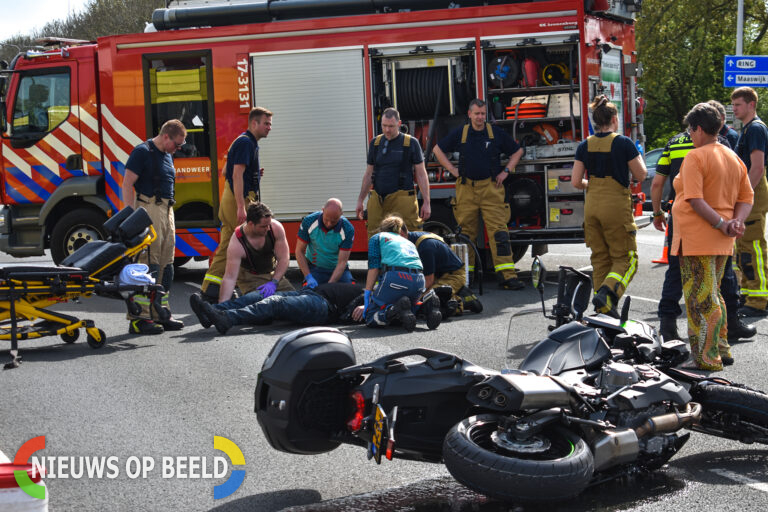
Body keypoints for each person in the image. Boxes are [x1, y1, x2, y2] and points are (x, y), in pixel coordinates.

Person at [651, 103, 755, 344]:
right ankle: (725, 336)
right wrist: (735, 222)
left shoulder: (684, 150)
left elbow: (666, 187)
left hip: (694, 230)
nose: (689, 134)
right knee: (720, 285)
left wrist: (657, 213)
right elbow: (745, 195)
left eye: (691, 129)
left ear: (698, 128)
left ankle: (697, 346)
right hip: (723, 229)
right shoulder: (729, 152)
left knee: (697, 293)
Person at [432, 98, 526, 290]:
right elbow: (437, 150)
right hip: (467, 189)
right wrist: (452, 169)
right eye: (477, 113)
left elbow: (517, 152)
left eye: (483, 114)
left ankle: (507, 276)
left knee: (499, 233)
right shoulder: (461, 133)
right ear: (469, 114)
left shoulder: (495, 134)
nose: (480, 117)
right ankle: (465, 277)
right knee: (466, 235)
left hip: (491, 189)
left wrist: (505, 171)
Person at [571, 95, 647, 315]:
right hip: (615, 206)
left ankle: (604, 311)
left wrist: (592, 185)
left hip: (592, 205)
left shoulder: (585, 145)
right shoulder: (623, 143)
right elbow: (640, 174)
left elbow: (576, 181)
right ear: (615, 119)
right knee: (627, 258)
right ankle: (607, 293)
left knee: (600, 258)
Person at [121, 119, 187, 335]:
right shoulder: (142, 152)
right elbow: (128, 184)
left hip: (167, 211)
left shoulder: (167, 155)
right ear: (166, 136)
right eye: (177, 144)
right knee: (147, 264)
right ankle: (140, 318)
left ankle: (161, 312)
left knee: (167, 265)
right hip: (148, 209)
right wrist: (132, 217)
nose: (177, 149)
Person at [201, 106, 272, 302]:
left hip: (233, 197)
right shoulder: (246, 143)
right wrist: (241, 206)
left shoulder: (245, 142)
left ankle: (212, 290)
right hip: (238, 199)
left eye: (270, 124)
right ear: (254, 123)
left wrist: (255, 174)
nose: (269, 127)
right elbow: (235, 174)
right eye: (266, 123)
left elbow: (226, 171)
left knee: (227, 245)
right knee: (244, 242)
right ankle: (243, 288)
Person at [356, 107, 431, 240]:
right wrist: (360, 200)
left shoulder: (410, 143)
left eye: (391, 126)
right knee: (374, 238)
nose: (387, 130)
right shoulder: (376, 143)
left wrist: (426, 202)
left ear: (399, 124)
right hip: (377, 199)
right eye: (384, 126)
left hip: (402, 199)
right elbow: (368, 174)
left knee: (407, 238)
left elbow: (421, 173)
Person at [190, 282, 365, 335]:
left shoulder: (375, 299)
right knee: (260, 296)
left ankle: (226, 319)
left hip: (323, 307)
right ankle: (210, 312)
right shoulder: (375, 289)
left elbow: (389, 310)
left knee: (274, 303)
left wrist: (366, 306)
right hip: (309, 293)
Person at [364, 215, 440, 331]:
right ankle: (426, 307)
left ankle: (393, 309)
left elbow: (374, 267)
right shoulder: (409, 242)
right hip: (419, 280)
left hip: (396, 277)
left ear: (383, 228)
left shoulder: (377, 237)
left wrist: (368, 294)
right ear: (399, 230)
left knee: (371, 316)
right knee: (408, 308)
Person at [730, 87, 768, 317]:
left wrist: (745, 195)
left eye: (738, 105)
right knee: (744, 247)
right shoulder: (748, 129)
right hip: (750, 191)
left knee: (752, 246)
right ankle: (750, 293)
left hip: (753, 190)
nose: (734, 109)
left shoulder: (755, 129)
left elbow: (757, 167)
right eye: (733, 105)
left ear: (751, 104)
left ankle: (758, 299)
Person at [216, 201, 294, 305]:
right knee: (261, 305)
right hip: (249, 277)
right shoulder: (237, 242)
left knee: (294, 300)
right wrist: (222, 305)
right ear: (251, 224)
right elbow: (230, 277)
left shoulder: (275, 228)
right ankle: (225, 309)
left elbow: (284, 259)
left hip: (271, 275)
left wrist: (274, 282)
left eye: (268, 225)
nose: (267, 228)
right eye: (263, 226)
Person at [402, 227, 482, 317]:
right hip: (439, 275)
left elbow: (428, 280)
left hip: (454, 276)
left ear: (402, 234)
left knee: (430, 302)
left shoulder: (425, 246)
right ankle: (455, 293)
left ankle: (463, 302)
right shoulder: (413, 237)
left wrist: (415, 299)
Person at [296, 198, 355, 287]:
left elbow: (342, 262)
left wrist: (329, 286)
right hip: (315, 268)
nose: (329, 224)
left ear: (341, 215)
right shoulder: (309, 221)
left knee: (350, 291)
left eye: (334, 221)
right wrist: (308, 277)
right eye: (326, 219)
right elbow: (299, 251)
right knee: (307, 294)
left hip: (338, 269)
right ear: (322, 210)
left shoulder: (348, 229)